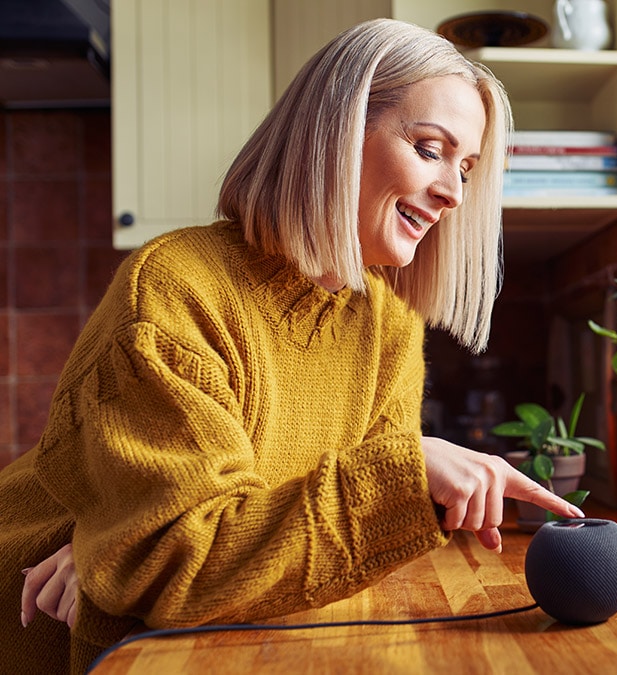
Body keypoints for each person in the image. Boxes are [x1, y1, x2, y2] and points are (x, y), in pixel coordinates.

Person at [0, 18, 583, 674]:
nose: (452, 192)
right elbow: (186, 564)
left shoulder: (388, 327)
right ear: (335, 133)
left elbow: (333, 546)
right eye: (429, 149)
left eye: (466, 168)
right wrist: (132, 544)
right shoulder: (175, 286)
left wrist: (118, 545)